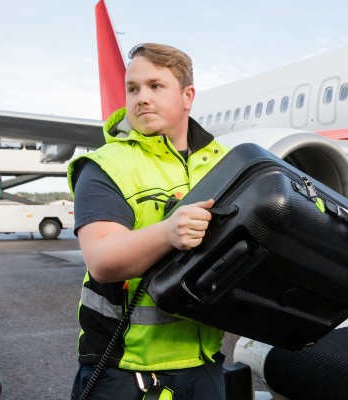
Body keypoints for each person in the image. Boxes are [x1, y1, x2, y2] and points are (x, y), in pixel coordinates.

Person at [67, 43, 228, 400]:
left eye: (156, 86)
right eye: (133, 88)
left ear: (188, 96)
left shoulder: (225, 163)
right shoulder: (107, 165)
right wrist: (169, 232)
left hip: (206, 365)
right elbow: (102, 262)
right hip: (124, 369)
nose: (141, 98)